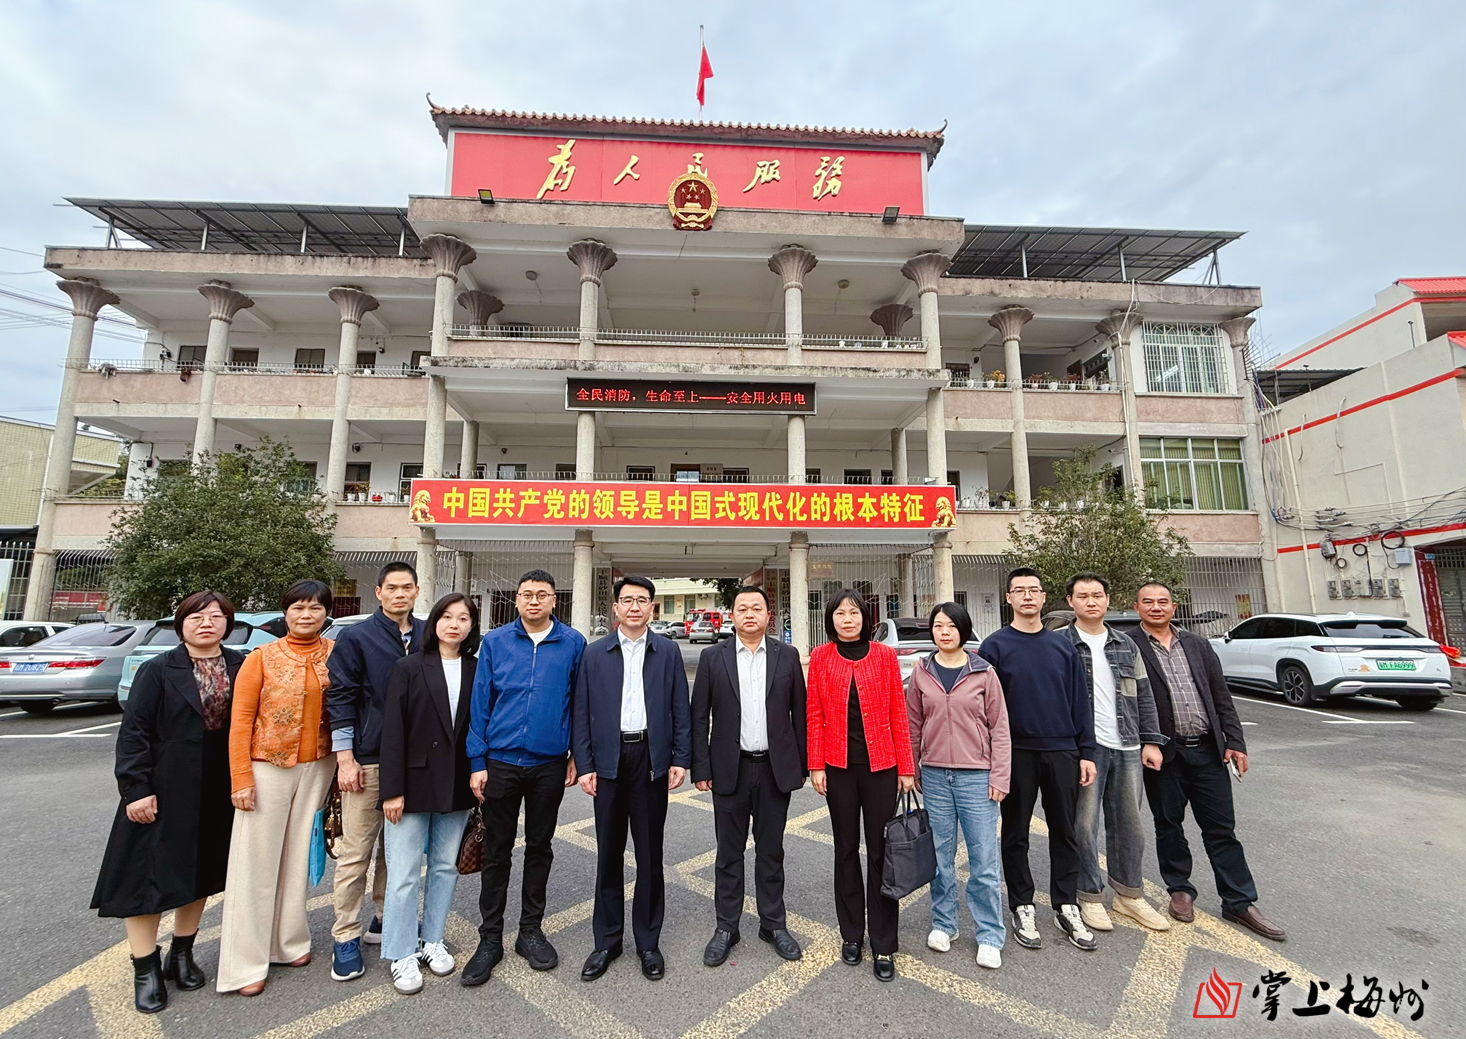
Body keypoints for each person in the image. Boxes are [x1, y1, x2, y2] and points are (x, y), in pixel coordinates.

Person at [93, 591, 246, 1013]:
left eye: (215, 616)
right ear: (181, 624)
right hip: (163, 786)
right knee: (145, 878)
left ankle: (182, 952)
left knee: (200, 871)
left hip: (218, 786)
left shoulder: (241, 665)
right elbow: (134, 733)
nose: (206, 623)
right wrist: (136, 789)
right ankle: (145, 967)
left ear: (228, 623)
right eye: (196, 617)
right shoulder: (158, 669)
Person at [1128, 581, 1286, 941]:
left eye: (1163, 601)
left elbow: (1220, 695)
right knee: (1169, 825)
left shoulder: (1197, 645)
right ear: (1137, 607)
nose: (1156, 607)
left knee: (1221, 829)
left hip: (1207, 751)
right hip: (1163, 753)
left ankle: (1239, 901)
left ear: (1174, 607)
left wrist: (1235, 741)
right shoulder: (1129, 644)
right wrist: (1145, 741)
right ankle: (1179, 889)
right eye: (1148, 602)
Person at [461, 569, 586, 987]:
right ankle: (490, 938)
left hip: (549, 763)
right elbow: (480, 703)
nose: (534, 601)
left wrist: (575, 755)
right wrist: (477, 761)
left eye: (542, 595)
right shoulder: (496, 642)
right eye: (526, 594)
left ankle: (530, 931)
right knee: (497, 851)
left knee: (539, 847)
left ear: (554, 601)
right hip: (500, 762)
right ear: (515, 600)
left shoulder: (572, 643)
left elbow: (578, 703)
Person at [217, 579, 337, 996]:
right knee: (256, 863)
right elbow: (240, 722)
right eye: (298, 608)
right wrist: (240, 778)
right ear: (285, 613)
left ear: (326, 614)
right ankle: (244, 964)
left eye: (315, 608)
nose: (306, 615)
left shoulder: (335, 654)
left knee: (298, 856)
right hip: (267, 766)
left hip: (319, 765)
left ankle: (288, 943)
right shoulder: (261, 657)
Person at [573, 575, 690, 982]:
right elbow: (581, 712)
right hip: (608, 759)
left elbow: (680, 707)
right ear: (616, 608)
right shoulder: (594, 654)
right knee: (608, 853)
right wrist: (585, 764)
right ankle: (606, 941)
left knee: (649, 854)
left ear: (652, 608)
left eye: (642, 600)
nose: (634, 606)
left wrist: (680, 758)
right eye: (627, 600)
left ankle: (648, 942)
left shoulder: (668, 651)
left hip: (651, 758)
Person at [977, 567, 1098, 953]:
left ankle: (1066, 904)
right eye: (1019, 591)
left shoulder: (1063, 646)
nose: (1027, 596)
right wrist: (992, 757)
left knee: (1065, 830)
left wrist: (1087, 751)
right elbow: (985, 709)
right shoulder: (994, 646)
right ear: (1008, 598)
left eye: (1034, 590)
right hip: (1016, 752)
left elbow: (1080, 701)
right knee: (1015, 833)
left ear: (1044, 597)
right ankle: (1022, 905)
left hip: (1063, 750)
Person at [691, 585, 808, 967]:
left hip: (775, 769)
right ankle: (727, 927)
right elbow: (699, 716)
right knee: (728, 854)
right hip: (730, 768)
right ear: (733, 615)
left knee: (771, 851)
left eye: (757, 608)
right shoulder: (713, 657)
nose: (750, 614)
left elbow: (800, 714)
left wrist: (802, 765)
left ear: (768, 615)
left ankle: (773, 924)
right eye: (742, 608)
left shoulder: (787, 656)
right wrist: (701, 767)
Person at [807, 589, 915, 983]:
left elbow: (898, 712)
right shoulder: (821, 657)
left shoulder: (884, 656)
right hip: (838, 768)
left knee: (881, 853)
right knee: (846, 851)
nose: (847, 619)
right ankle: (851, 933)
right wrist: (815, 765)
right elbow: (813, 713)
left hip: (881, 767)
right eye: (840, 613)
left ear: (865, 618)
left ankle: (884, 942)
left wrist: (906, 767)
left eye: (854, 612)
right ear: (831, 620)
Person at [326, 561, 424, 981]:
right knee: (356, 852)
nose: (400, 594)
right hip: (368, 759)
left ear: (417, 591)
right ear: (379, 592)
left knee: (399, 851)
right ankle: (345, 935)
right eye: (392, 588)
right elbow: (341, 697)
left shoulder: (427, 634)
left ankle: (386, 919)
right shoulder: (357, 637)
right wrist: (345, 758)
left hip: (415, 763)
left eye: (407, 587)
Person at [378, 593, 481, 994]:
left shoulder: (476, 668)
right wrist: (391, 791)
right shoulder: (408, 667)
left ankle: (432, 939)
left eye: (463, 618)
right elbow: (393, 732)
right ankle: (401, 952)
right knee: (403, 874)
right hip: (412, 782)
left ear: (472, 626)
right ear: (434, 621)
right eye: (447, 616)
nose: (454, 624)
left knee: (444, 867)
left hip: (457, 782)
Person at [1061, 573, 1173, 934]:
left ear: (1107, 600)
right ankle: (1089, 895)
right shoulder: (1061, 644)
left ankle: (1129, 893)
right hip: (1085, 748)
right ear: (1070, 602)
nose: (1091, 601)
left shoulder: (1126, 644)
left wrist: (1151, 741)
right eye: (1083, 596)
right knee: (1084, 824)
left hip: (1127, 745)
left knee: (1130, 824)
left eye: (1097, 595)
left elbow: (1144, 695)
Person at [905, 601, 1010, 971]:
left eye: (951, 626)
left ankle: (989, 934)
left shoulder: (983, 672)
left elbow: (1000, 727)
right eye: (938, 626)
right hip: (935, 775)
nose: (944, 632)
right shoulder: (922, 671)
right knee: (940, 856)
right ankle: (944, 923)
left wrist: (999, 775)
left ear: (963, 630)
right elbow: (913, 724)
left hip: (976, 776)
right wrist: (911, 767)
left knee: (984, 860)